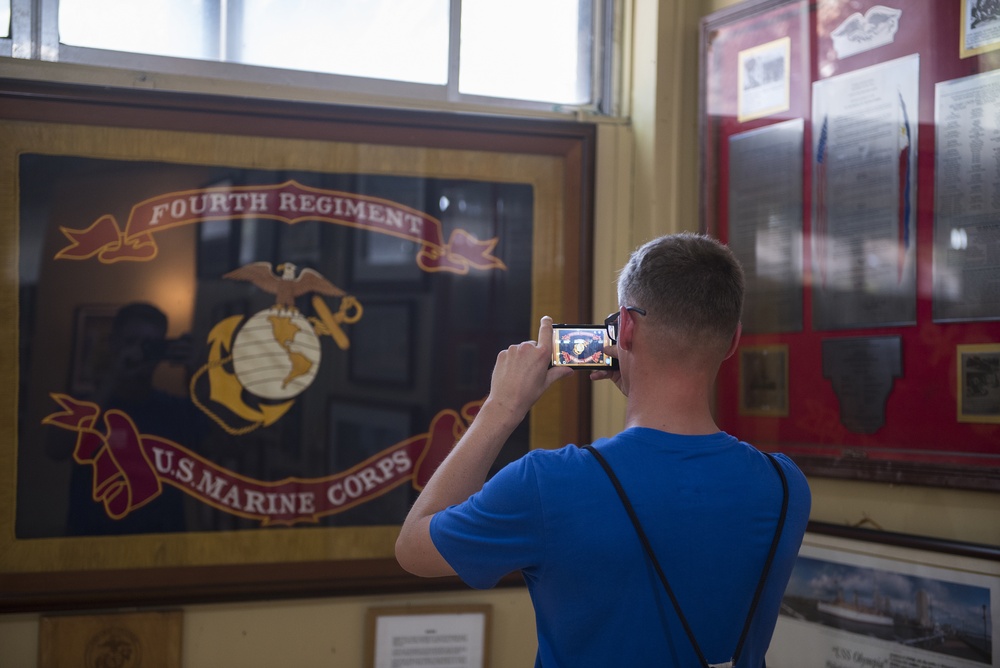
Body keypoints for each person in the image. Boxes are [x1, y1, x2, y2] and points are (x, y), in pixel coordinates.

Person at [395, 232, 811, 667]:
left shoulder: (548, 484)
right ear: (732, 341)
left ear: (626, 327)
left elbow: (413, 548)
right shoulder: (786, 487)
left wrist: (501, 408)